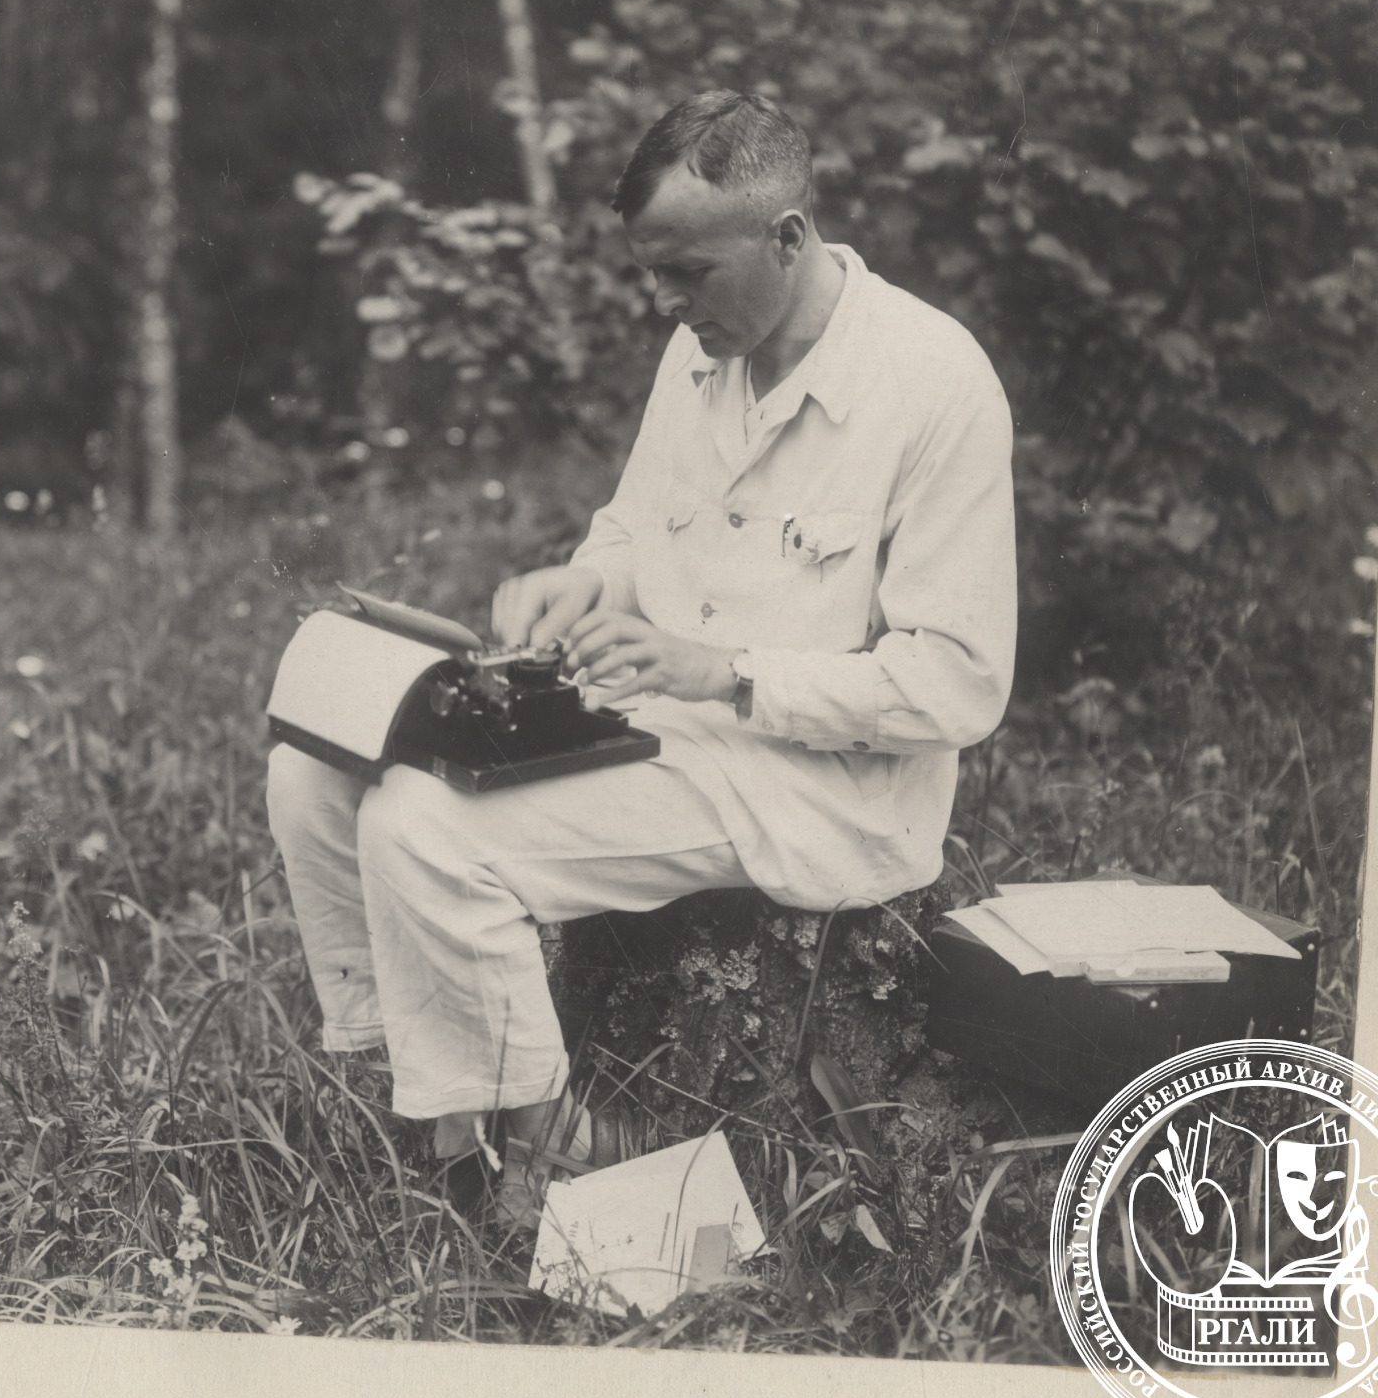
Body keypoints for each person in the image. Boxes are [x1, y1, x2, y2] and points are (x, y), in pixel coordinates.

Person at [266, 89, 1018, 1219]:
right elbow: (633, 533)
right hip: (661, 730)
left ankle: (551, 1150)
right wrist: (585, 580)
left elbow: (959, 684)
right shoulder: (703, 348)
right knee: (316, 774)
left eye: (687, 273)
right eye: (651, 273)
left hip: (818, 787)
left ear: (788, 236)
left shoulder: (933, 381)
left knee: (422, 824)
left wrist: (723, 671)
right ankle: (432, 1104)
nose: (663, 303)